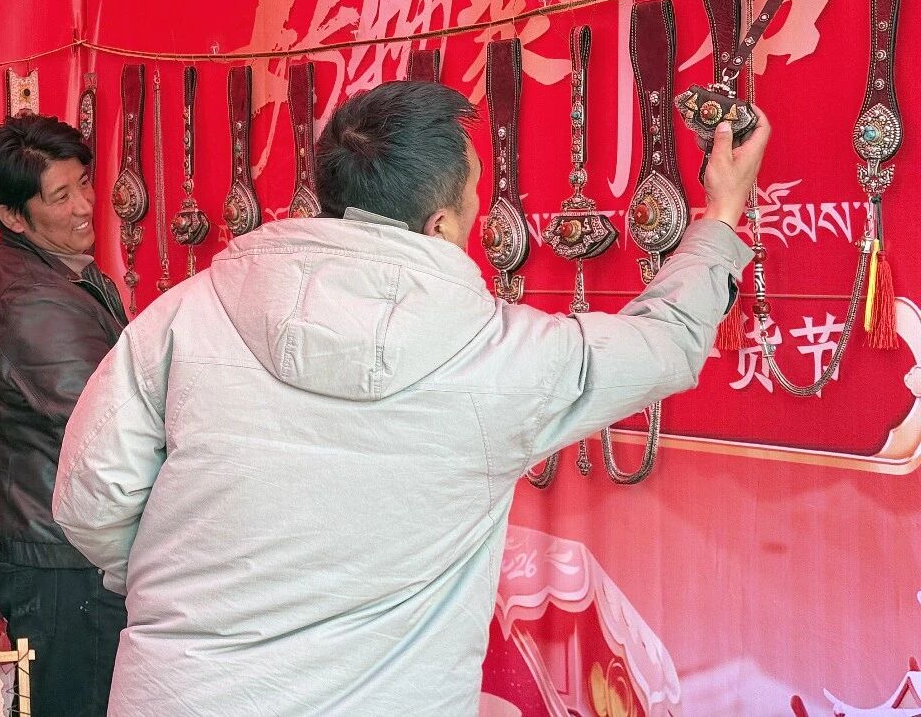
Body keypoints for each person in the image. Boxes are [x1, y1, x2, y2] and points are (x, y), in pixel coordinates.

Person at [53, 80, 768, 715]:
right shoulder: (508, 357)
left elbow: (90, 497)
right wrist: (722, 212)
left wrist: (184, 583)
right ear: (442, 227)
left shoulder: (187, 311)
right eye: (475, 198)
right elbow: (668, 342)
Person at [0, 115, 128, 716]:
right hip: (61, 559)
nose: (84, 205)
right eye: (61, 196)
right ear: (12, 216)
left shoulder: (53, 271)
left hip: (60, 546)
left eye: (84, 182)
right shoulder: (32, 300)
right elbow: (112, 424)